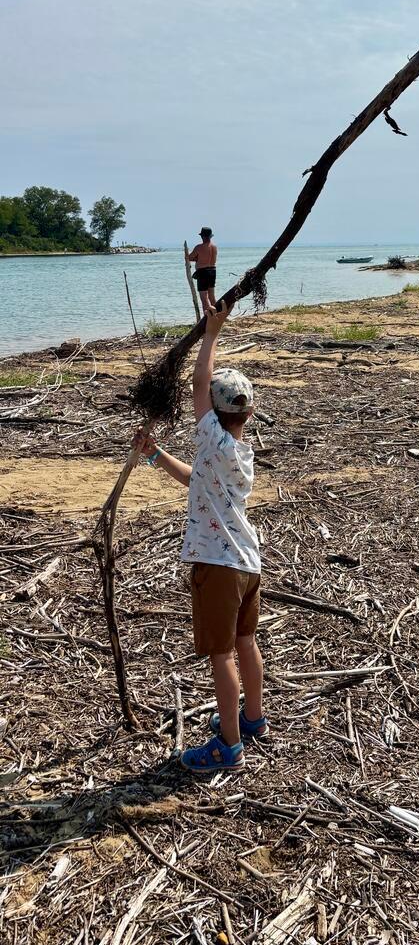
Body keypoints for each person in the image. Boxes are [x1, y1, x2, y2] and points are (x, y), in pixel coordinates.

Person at [134, 303, 267, 773]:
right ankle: (252, 718)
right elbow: (197, 480)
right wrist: (156, 456)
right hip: (247, 563)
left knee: (221, 654)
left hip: (219, 564)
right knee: (246, 641)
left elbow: (196, 384)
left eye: (208, 402)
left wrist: (211, 334)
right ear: (248, 413)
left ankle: (228, 745)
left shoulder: (212, 435)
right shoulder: (235, 452)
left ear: (217, 410)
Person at [188, 227, 218, 314]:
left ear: (203, 237)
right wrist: (198, 259)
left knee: (204, 298)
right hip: (212, 271)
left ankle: (207, 317)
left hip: (203, 272)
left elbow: (189, 257)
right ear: (210, 236)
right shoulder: (214, 247)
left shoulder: (199, 247)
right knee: (212, 297)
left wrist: (196, 259)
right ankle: (217, 314)